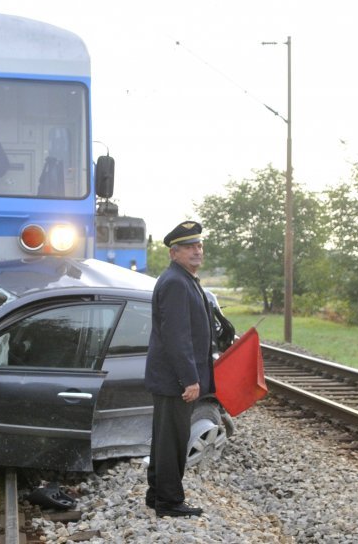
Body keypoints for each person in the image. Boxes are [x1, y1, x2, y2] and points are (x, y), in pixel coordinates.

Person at [144, 221, 214, 517]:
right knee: (172, 441)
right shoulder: (176, 282)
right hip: (176, 379)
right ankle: (170, 502)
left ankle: (157, 494)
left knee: (165, 439)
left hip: (171, 378)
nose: (196, 251)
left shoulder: (183, 279)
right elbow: (177, 336)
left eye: (198, 245)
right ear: (174, 253)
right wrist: (190, 379)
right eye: (189, 247)